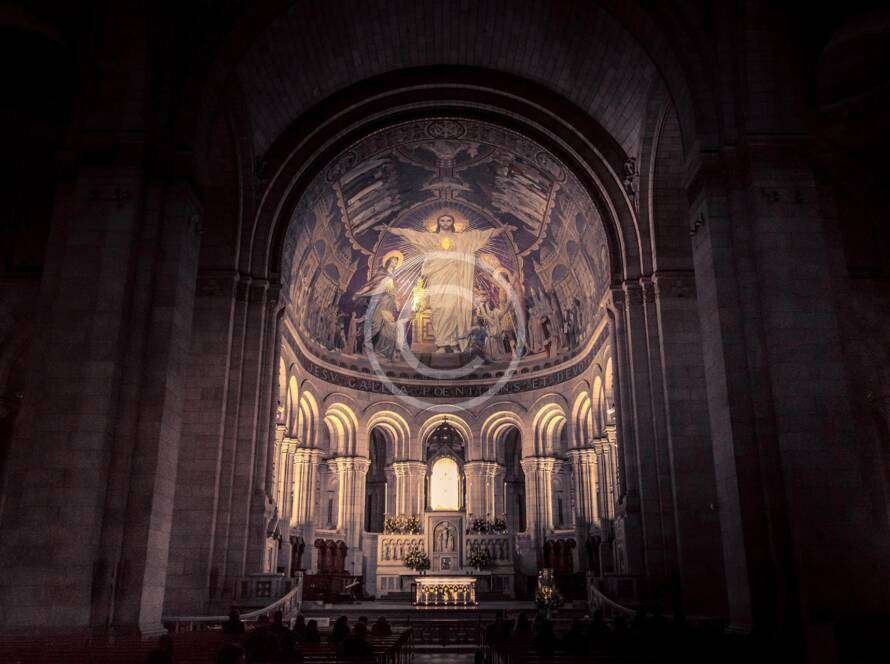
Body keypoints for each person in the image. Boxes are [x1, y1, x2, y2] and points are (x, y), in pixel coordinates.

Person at [390, 215, 503, 352]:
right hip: (437, 278)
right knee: (439, 308)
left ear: (452, 222)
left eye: (448, 220)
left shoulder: (461, 238)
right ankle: (442, 344)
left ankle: (454, 344)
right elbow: (413, 235)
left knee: (454, 308)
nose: (445, 223)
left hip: (454, 279)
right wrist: (393, 230)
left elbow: (480, 236)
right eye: (442, 220)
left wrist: (501, 230)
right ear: (438, 223)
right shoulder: (431, 238)